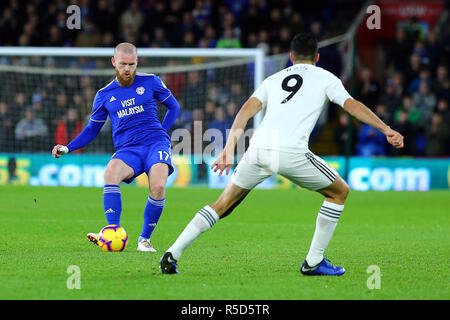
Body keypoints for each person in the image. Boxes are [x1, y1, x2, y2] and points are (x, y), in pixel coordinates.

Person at [159, 32, 404, 275]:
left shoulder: (273, 79)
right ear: (317, 57)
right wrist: (385, 128)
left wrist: (228, 149)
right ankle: (313, 262)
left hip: (257, 149)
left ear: (290, 56)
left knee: (223, 204)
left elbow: (245, 111)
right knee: (340, 192)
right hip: (290, 152)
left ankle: (172, 253)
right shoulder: (326, 77)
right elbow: (351, 106)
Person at [51, 43, 180, 252]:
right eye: (122, 64)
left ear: (137, 62)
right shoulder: (104, 94)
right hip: (128, 149)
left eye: (131, 64)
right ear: (114, 63)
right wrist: (68, 147)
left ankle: (144, 240)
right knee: (110, 173)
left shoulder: (151, 81)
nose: (127, 69)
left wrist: (163, 132)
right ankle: (112, 232)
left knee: (158, 187)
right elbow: (92, 129)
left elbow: (174, 107)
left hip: (155, 143)